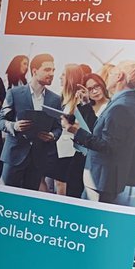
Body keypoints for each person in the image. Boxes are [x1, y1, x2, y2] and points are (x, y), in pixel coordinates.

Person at [66, 60, 135, 203]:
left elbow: (108, 146)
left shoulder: (121, 106)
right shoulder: (124, 101)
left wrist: (77, 132)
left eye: (111, 73)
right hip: (102, 178)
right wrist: (86, 104)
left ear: (119, 76)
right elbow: (100, 131)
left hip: (101, 181)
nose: (107, 77)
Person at [0, 53, 61, 191]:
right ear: (35, 71)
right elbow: (1, 121)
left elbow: (58, 128)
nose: (52, 73)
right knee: (6, 194)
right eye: (47, 69)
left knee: (28, 196)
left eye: (53, 70)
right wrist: (14, 126)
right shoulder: (14, 93)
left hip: (38, 159)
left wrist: (52, 135)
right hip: (14, 156)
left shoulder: (55, 99)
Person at [49, 63, 91, 198]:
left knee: (62, 183)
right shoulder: (63, 98)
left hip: (70, 149)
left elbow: (83, 125)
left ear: (70, 78)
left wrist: (65, 123)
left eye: (63, 74)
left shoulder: (79, 99)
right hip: (60, 146)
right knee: (57, 182)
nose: (60, 77)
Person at [0, 55, 27, 183]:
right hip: (4, 123)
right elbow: (2, 100)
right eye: (24, 63)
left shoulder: (24, 83)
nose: (26, 67)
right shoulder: (5, 80)